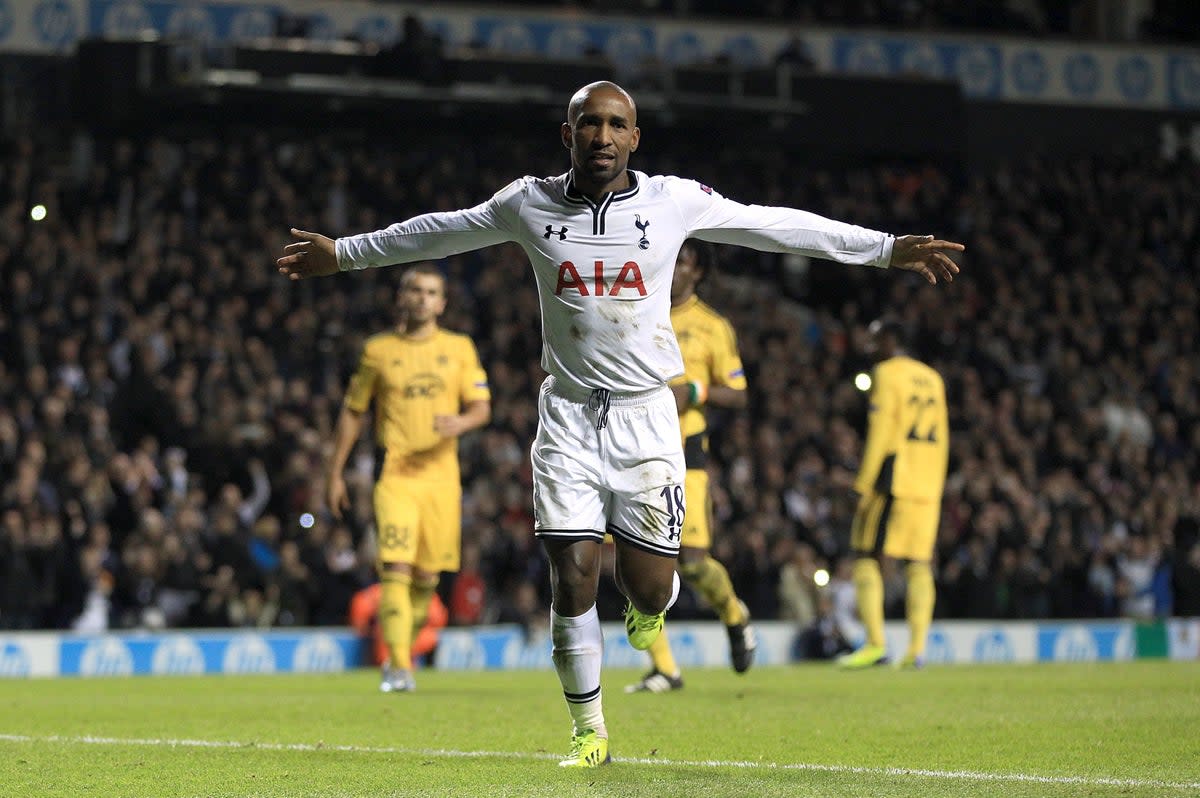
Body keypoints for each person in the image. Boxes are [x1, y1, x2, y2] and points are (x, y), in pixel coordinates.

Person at [277, 81, 962, 766]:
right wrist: (345, 254)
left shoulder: (672, 201)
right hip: (570, 415)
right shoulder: (528, 202)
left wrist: (883, 249)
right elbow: (442, 228)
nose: (602, 136)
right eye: (588, 124)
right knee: (571, 574)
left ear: (635, 137)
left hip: (647, 420)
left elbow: (774, 224)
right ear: (567, 134)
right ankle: (589, 731)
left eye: (616, 125)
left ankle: (647, 613)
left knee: (652, 588)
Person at [325, 265, 491, 693]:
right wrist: (335, 472)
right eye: (414, 290)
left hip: (441, 480)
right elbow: (353, 411)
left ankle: (404, 651)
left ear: (442, 303)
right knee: (395, 567)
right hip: (396, 476)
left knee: (426, 578)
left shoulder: (459, 348)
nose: (422, 298)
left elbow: (481, 408)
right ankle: (398, 665)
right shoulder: (378, 350)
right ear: (401, 297)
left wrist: (459, 422)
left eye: (431, 292)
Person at [625, 238, 756, 694]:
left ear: (697, 272)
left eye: (683, 261)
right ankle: (665, 668)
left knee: (695, 561)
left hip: (685, 451)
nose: (674, 268)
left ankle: (735, 615)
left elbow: (738, 393)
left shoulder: (711, 326)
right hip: (632, 448)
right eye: (669, 258)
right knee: (625, 555)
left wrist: (695, 392)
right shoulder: (636, 308)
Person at [838, 319, 949, 670]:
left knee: (865, 555)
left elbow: (882, 432)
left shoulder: (886, 374)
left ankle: (875, 644)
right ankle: (916, 651)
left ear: (892, 340)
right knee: (918, 564)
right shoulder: (933, 378)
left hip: (894, 480)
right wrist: (936, 484)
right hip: (928, 483)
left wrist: (863, 484)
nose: (870, 348)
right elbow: (944, 439)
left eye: (875, 340)